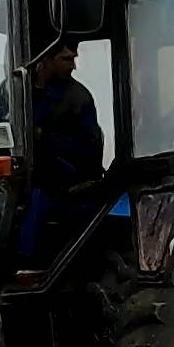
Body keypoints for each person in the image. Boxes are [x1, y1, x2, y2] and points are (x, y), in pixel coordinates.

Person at [18, 41, 105, 261]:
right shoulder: (14, 89)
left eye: (72, 58)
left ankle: (25, 261)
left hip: (65, 173)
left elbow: (89, 152)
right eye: (67, 59)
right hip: (20, 165)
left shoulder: (78, 98)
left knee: (40, 183)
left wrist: (45, 138)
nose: (73, 66)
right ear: (44, 59)